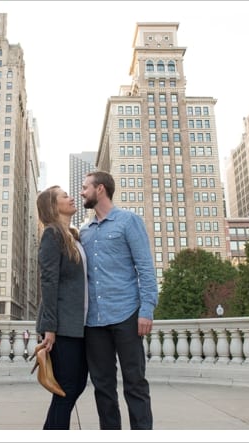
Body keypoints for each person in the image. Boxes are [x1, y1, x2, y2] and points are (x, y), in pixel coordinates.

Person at [79, 171, 158, 430]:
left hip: (127, 314)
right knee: (103, 388)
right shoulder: (84, 232)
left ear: (100, 189)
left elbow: (145, 268)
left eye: (85, 187)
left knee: (135, 383)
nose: (82, 192)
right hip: (94, 322)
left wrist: (146, 310)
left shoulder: (128, 221)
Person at [34, 185, 89, 429]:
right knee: (66, 389)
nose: (71, 198)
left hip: (79, 325)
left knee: (75, 386)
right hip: (61, 327)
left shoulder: (74, 236)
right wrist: (49, 328)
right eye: (64, 196)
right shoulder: (52, 235)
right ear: (53, 206)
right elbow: (48, 282)